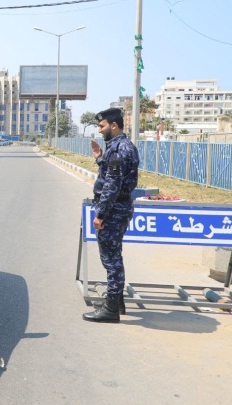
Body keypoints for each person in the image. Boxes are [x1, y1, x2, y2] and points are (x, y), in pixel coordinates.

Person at [83, 107, 139, 323]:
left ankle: (111, 309)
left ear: (114, 126)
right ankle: (117, 301)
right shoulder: (122, 147)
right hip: (120, 209)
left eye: (102, 126)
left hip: (113, 211)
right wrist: (99, 159)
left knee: (112, 260)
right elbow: (115, 176)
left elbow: (112, 185)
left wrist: (101, 214)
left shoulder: (118, 149)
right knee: (114, 256)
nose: (100, 130)